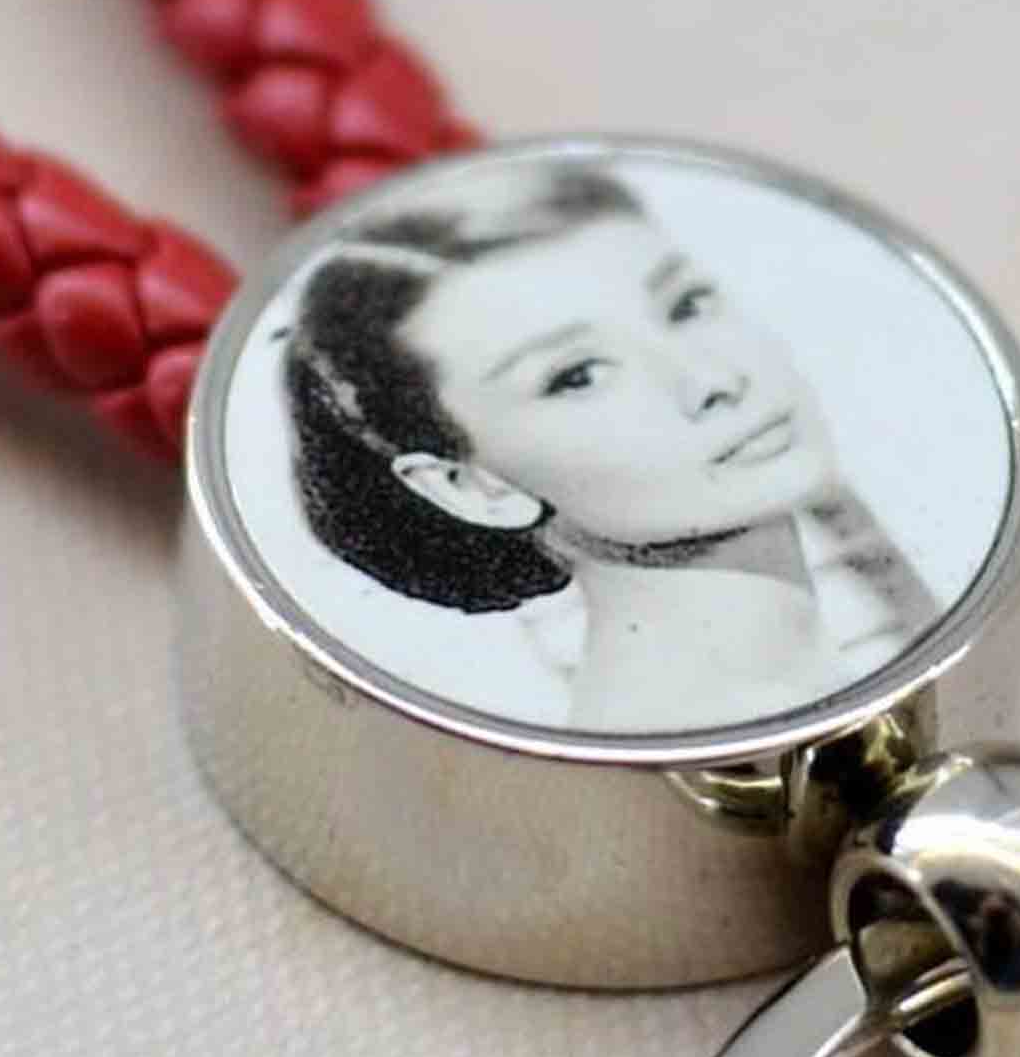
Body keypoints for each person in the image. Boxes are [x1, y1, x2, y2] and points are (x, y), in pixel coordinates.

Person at [283, 163, 934, 730]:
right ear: (475, 487)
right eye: (578, 376)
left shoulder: (810, 680)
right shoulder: (682, 732)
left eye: (686, 305)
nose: (711, 379)